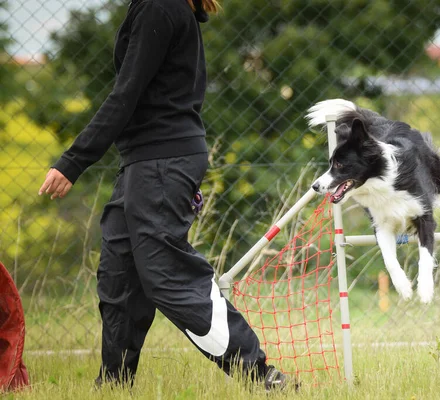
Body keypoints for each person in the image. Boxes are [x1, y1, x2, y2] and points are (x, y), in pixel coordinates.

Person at [38, 0, 290, 391]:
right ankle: (114, 385)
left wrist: (73, 161)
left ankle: (259, 374)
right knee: (119, 277)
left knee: (167, 277)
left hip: (162, 161)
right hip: (143, 161)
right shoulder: (163, 7)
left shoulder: (159, 6)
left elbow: (126, 94)